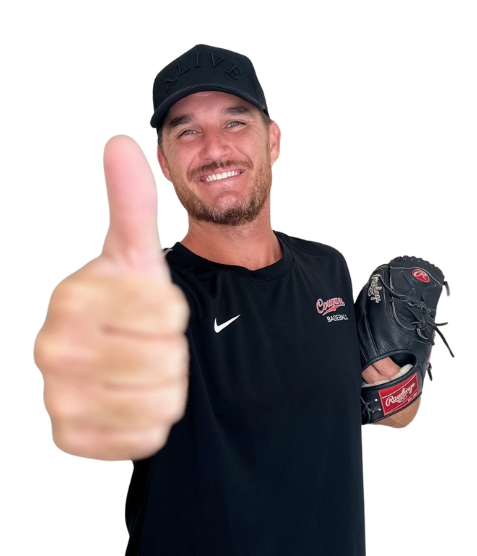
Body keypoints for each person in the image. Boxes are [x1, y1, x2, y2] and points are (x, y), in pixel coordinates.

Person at [34, 44, 420, 556]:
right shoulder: (148, 299)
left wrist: (399, 388)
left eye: (235, 122)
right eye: (187, 132)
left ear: (272, 139)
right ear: (164, 162)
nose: (214, 148)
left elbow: (374, 410)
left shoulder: (328, 268)